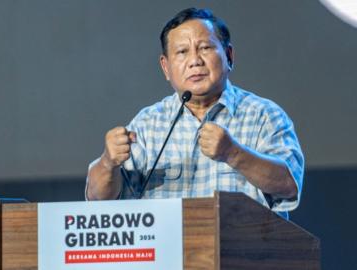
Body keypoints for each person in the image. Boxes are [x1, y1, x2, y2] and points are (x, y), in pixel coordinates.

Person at [86, 8, 304, 218]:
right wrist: (107, 162)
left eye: (205, 48)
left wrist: (233, 153)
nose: (195, 61)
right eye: (182, 52)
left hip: (242, 253)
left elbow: (288, 186)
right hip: (166, 254)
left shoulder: (263, 116)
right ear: (166, 68)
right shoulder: (147, 124)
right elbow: (98, 202)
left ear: (229, 56)